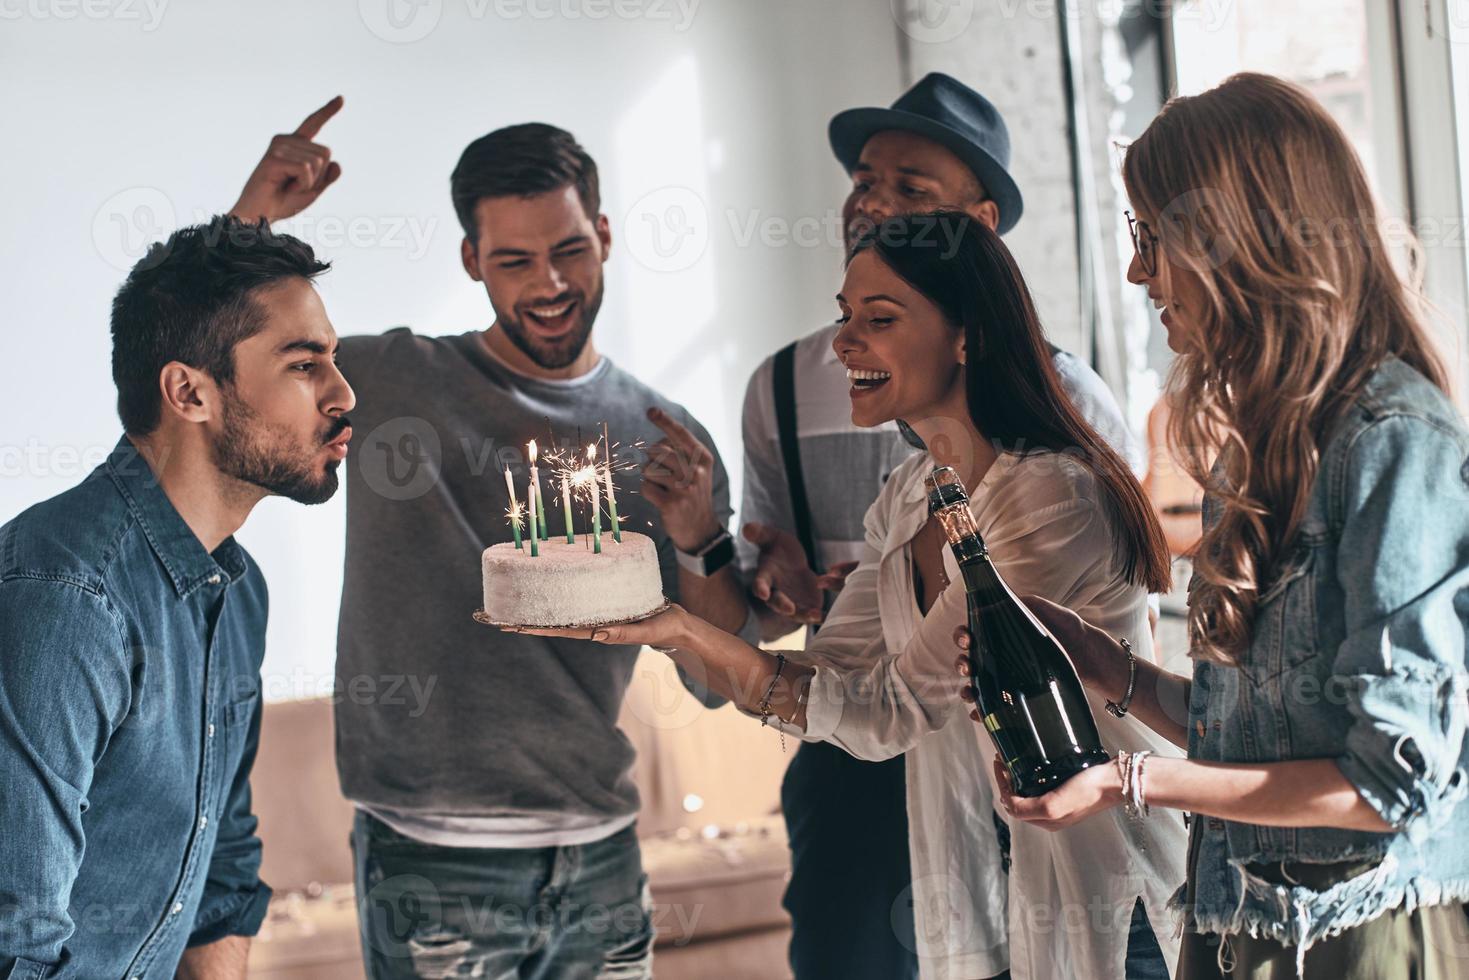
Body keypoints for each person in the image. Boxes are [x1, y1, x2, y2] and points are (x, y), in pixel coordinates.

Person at [516, 212, 1187, 979]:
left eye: (879, 319)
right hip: (982, 890)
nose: (842, 342)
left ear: (965, 336)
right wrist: (681, 626)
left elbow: (891, 711)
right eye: (844, 316)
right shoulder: (907, 498)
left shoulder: (1048, 498)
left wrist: (684, 633)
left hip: (1104, 896)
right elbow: (827, 688)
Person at [229, 104, 753, 978]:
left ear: (607, 236)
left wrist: (701, 538)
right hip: (433, 863)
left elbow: (715, 686)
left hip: (602, 863)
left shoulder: (666, 439)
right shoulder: (391, 381)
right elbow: (220, 357)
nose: (548, 283)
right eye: (513, 260)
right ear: (471, 260)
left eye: (569, 250)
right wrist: (254, 217)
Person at [976, 73, 1469, 979]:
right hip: (1236, 923)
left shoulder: (1394, 441)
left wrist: (1126, 782)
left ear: (1238, 235)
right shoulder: (1247, 447)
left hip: (1359, 939)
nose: (1136, 271)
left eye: (1150, 237)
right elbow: (1241, 738)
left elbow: (1386, 784)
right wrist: (1101, 663)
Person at [733, 72, 1146, 980]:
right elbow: (790, 622)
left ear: (978, 228)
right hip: (880, 782)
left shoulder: (1062, 428)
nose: (871, 202)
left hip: (1035, 784)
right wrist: (710, 575)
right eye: (864, 180)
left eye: (909, 188)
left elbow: (1065, 627)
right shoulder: (789, 394)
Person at [0, 216, 355, 978]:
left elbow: (221, 856)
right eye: (304, 365)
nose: (342, 394)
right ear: (188, 392)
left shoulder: (238, 590)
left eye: (334, 359)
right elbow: (13, 938)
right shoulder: (66, 597)